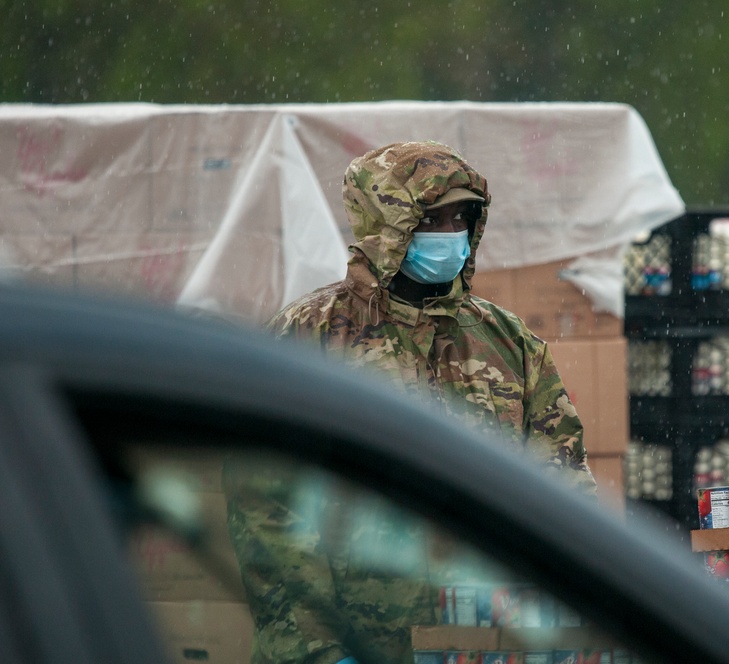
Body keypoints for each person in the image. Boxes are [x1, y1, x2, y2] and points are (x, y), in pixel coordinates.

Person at [225, 140, 597, 664]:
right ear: (387, 225)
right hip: (360, 644)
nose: (450, 237)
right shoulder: (307, 340)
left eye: (460, 219)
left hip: (487, 647)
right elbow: (268, 508)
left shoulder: (507, 343)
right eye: (432, 220)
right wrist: (316, 649)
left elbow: (563, 494)